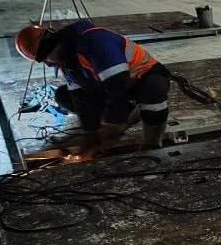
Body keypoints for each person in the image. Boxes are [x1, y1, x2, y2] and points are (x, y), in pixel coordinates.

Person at [15, 19, 169, 150]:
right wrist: (90, 132)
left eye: (45, 60)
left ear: (47, 51)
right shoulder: (67, 60)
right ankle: (129, 112)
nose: (48, 65)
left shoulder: (96, 42)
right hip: (115, 85)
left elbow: (118, 85)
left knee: (152, 91)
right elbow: (80, 99)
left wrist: (112, 122)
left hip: (144, 76)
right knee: (64, 95)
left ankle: (152, 143)